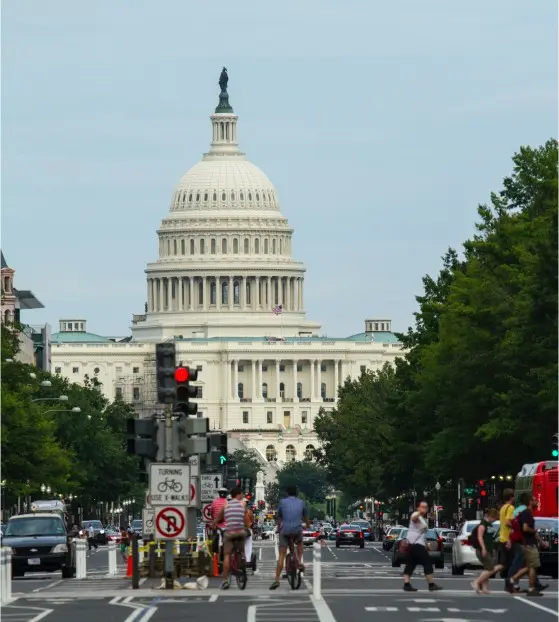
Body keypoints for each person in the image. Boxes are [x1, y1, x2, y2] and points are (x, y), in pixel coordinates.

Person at [270, 485, 309, 590]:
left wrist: (279, 528)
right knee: (300, 543)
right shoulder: (301, 502)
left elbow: (279, 517)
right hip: (297, 530)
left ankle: (277, 580)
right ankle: (300, 562)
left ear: (287, 493)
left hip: (285, 530)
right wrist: (307, 524)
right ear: (296, 493)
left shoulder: (282, 502)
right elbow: (305, 517)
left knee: (281, 555)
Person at [211, 487, 248, 590]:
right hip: (240, 532)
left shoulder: (225, 505)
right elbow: (244, 516)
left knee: (227, 555)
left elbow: (219, 517)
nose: (243, 496)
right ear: (238, 494)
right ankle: (242, 567)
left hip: (229, 533)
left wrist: (214, 523)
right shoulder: (243, 504)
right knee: (242, 550)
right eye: (242, 494)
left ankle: (226, 580)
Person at [402, 500, 442, 592]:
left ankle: (406, 584)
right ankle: (431, 584)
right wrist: (419, 512)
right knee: (427, 562)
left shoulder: (422, 519)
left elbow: (421, 533)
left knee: (410, 564)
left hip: (414, 544)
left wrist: (426, 545)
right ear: (418, 508)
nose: (424, 509)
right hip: (416, 545)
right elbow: (414, 518)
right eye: (422, 507)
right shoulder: (416, 515)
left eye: (426, 507)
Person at [508, 496, 544, 597]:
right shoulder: (527, 513)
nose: (537, 501)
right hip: (529, 544)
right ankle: (531, 589)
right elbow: (525, 528)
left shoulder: (526, 513)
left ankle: (513, 579)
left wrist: (540, 540)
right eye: (534, 500)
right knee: (533, 566)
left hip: (527, 543)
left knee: (529, 566)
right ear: (529, 502)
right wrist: (534, 531)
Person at [471, 508, 503, 594]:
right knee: (491, 568)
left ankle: (484, 588)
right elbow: (480, 537)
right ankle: (476, 582)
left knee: (487, 568)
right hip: (482, 550)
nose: (495, 520)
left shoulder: (488, 525)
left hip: (488, 550)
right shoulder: (482, 525)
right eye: (495, 518)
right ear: (491, 516)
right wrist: (483, 548)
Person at [498, 489, 516, 590]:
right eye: (513, 496)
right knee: (513, 563)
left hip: (502, 538)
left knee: (506, 564)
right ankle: (510, 583)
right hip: (509, 539)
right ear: (511, 497)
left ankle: (509, 583)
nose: (514, 498)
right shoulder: (511, 508)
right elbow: (509, 522)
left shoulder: (502, 508)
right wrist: (517, 527)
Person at [210, 488, 228, 556]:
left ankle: (215, 555)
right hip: (227, 526)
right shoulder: (227, 502)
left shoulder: (214, 502)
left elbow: (211, 513)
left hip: (217, 526)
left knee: (215, 540)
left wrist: (213, 521)